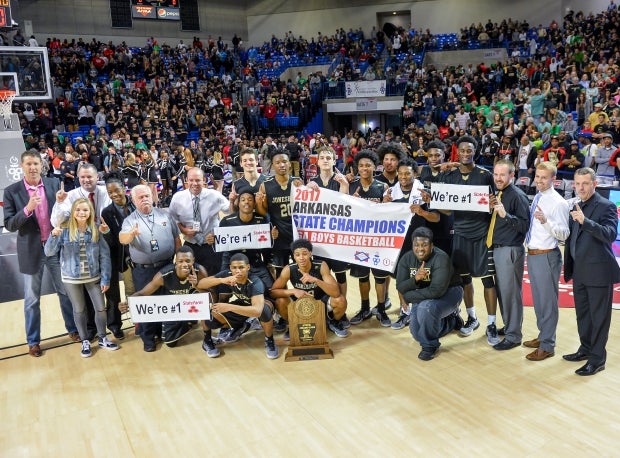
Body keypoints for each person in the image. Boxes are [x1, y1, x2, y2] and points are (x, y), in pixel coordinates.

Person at [3, 150, 80, 357]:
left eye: (36, 163)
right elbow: (9, 224)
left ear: (41, 165)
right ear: (22, 166)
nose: (33, 167)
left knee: (65, 292)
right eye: (28, 164)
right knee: (31, 299)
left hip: (55, 248)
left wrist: (64, 204)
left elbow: (65, 215)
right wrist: (27, 209)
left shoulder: (54, 185)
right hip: (31, 250)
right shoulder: (12, 191)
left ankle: (73, 329)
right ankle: (33, 341)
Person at [44, 198, 119, 358]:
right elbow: (49, 252)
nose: (81, 213)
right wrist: (53, 235)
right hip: (71, 278)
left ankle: (102, 337)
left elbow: (105, 256)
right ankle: (85, 340)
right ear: (73, 212)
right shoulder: (63, 229)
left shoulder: (96, 230)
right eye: (78, 210)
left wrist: (105, 279)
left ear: (90, 212)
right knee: (79, 310)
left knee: (100, 308)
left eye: (85, 210)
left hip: (93, 276)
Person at [441, 135, 498, 344]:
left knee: (487, 279)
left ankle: (491, 322)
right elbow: (446, 209)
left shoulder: (485, 175)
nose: (466, 154)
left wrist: (493, 204)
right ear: (458, 151)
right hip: (460, 234)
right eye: (463, 150)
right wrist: (434, 201)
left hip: (482, 234)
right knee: (465, 279)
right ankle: (472, 318)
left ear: (475, 151)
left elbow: (494, 204)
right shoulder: (450, 177)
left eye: (469, 150)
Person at [563, 168, 620, 376]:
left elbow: (610, 235)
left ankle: (597, 360)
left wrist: (585, 222)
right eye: (577, 184)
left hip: (599, 272)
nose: (581, 188)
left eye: (585, 183)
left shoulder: (607, 206)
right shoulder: (576, 205)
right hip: (580, 271)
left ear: (594, 184)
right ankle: (585, 349)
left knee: (599, 319)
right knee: (583, 316)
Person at [119, 185, 182, 352]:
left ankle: (169, 333)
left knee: (168, 302)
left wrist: (179, 262)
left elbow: (176, 239)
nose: (145, 199)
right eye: (140, 197)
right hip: (143, 270)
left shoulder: (165, 215)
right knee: (147, 304)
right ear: (133, 200)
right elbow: (122, 239)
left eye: (147, 195)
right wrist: (131, 235)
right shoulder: (130, 221)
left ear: (152, 196)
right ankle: (148, 337)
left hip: (168, 265)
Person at [523, 162, 569, 361]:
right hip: (533, 254)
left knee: (548, 303)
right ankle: (543, 336)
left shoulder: (559, 203)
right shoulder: (539, 196)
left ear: (553, 180)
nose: (539, 181)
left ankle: (548, 345)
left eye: (544, 177)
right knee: (539, 301)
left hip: (547, 255)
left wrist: (546, 222)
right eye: (538, 177)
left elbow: (564, 234)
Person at [396, 227, 464, 361]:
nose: (420, 249)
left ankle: (430, 346)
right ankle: (451, 321)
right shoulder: (406, 259)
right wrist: (415, 279)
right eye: (416, 245)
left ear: (432, 245)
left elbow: (436, 291)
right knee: (417, 334)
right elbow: (400, 286)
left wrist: (408, 297)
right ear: (412, 245)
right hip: (423, 296)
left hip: (450, 293)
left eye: (424, 245)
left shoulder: (441, 258)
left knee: (425, 308)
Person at [120, 246, 208, 347]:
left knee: (203, 302)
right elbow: (143, 293)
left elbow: (210, 296)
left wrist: (197, 285)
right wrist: (128, 302)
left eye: (188, 261)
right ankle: (184, 323)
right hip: (174, 307)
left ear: (193, 260)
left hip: (191, 304)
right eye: (181, 261)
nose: (184, 264)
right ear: (176, 261)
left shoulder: (200, 271)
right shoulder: (163, 275)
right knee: (170, 343)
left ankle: (207, 336)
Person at [196, 253, 279, 359]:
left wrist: (229, 307)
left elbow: (257, 310)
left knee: (263, 311)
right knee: (211, 317)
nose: (238, 271)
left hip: (264, 303)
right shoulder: (227, 274)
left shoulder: (255, 282)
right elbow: (201, 284)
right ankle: (209, 339)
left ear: (248, 267)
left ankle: (269, 340)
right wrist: (221, 280)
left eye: (241, 267)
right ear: (230, 268)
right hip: (244, 304)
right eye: (234, 268)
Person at [487, 160, 530, 350]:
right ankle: (509, 326)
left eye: (502, 175)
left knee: (511, 294)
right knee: (504, 293)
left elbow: (524, 226)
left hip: (510, 250)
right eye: (495, 174)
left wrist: (506, 216)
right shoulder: (500, 193)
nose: (497, 178)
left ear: (511, 176)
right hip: (498, 248)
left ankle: (514, 336)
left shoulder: (517, 196)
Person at [347, 150, 391, 327]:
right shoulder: (351, 187)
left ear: (375, 167)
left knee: (380, 278)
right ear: (357, 168)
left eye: (368, 165)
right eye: (361, 166)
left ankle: (381, 309)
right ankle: (365, 308)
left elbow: (390, 214)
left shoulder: (383, 187)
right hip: (359, 240)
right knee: (363, 277)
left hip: (378, 240)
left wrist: (383, 206)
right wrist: (351, 201)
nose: (364, 168)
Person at [271, 239, 349, 338]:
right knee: (280, 301)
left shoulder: (321, 266)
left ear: (310, 254)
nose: (301, 258)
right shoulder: (289, 269)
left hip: (320, 301)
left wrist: (316, 280)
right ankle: (293, 325)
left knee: (341, 300)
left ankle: (333, 322)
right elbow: (273, 292)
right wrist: (294, 291)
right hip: (299, 303)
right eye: (297, 255)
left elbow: (336, 293)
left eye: (304, 254)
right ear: (294, 256)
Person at [168, 167, 229, 276]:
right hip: (191, 245)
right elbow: (173, 219)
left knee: (214, 278)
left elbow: (230, 212)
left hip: (212, 244)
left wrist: (233, 200)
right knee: (192, 279)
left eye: (198, 180)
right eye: (191, 180)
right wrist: (183, 230)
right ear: (186, 180)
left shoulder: (214, 195)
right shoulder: (177, 198)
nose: (194, 183)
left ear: (204, 180)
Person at [99, 175, 137, 340]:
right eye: (110, 192)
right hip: (119, 256)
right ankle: (114, 325)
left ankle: (140, 322)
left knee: (136, 290)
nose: (114, 194)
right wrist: (106, 233)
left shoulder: (136, 203)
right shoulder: (107, 212)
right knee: (113, 294)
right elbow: (111, 241)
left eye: (116, 190)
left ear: (124, 187)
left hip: (140, 254)